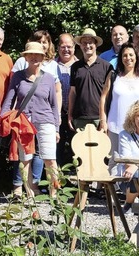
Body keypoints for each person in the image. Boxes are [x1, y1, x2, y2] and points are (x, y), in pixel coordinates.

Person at [2, 42, 60, 197]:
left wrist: (56, 128)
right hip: (24, 122)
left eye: (38, 54)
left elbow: (54, 105)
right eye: (31, 54)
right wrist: (2, 120)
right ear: (26, 57)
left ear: (43, 57)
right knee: (25, 159)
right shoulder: (18, 77)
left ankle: (54, 194)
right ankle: (29, 193)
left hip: (46, 120)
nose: (34, 57)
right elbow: (9, 99)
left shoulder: (48, 78)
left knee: (50, 159)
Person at [99, 43, 139, 172]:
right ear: (120, 58)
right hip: (115, 125)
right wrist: (103, 121)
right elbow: (103, 97)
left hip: (137, 127)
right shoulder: (114, 76)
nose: (128, 58)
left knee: (135, 159)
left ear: (136, 57)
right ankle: (109, 191)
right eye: (124, 55)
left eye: (131, 55)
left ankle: (131, 189)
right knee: (113, 160)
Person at [68, 28, 112, 130]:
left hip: (100, 118)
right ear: (80, 45)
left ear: (96, 44)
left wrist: (104, 119)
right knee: (78, 146)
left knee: (101, 146)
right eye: (84, 43)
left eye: (90, 42)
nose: (87, 46)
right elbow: (73, 93)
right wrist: (70, 115)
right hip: (79, 118)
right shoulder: (75, 67)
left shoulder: (107, 67)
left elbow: (109, 95)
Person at [55, 33, 78, 168]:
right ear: (58, 48)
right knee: (56, 147)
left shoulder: (79, 65)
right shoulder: (51, 65)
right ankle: (55, 179)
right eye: (63, 46)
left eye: (69, 46)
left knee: (75, 147)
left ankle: (76, 181)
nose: (66, 50)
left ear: (74, 48)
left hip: (75, 114)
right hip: (56, 113)